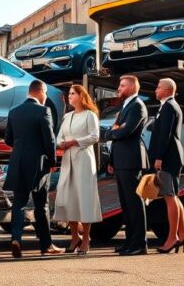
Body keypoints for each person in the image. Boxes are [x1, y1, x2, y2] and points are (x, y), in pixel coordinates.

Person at [4, 79, 64, 258]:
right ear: (41, 91)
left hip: (18, 163)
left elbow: (8, 139)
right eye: (45, 93)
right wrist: (52, 161)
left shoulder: (14, 112)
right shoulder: (43, 111)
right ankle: (46, 245)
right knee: (41, 205)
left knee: (19, 204)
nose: (45, 97)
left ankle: (16, 239)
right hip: (38, 165)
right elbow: (50, 139)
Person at [54, 84, 103, 256]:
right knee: (69, 199)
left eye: (73, 93)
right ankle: (74, 237)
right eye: (69, 94)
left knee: (84, 198)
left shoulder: (90, 115)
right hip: (68, 160)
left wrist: (73, 142)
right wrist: (61, 143)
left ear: (81, 96)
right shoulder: (67, 116)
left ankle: (86, 238)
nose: (70, 96)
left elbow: (95, 136)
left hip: (83, 159)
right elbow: (59, 136)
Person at [105, 74, 149, 256]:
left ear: (131, 87)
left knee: (134, 203)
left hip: (131, 161)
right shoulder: (125, 105)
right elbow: (113, 131)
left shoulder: (137, 106)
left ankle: (140, 244)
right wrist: (112, 160)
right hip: (121, 160)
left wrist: (114, 131)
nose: (119, 89)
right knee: (125, 204)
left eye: (122, 86)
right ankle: (130, 242)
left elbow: (125, 131)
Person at [148, 78, 184, 254]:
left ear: (167, 90)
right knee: (174, 196)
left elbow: (164, 135)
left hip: (168, 158)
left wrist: (158, 157)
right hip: (172, 157)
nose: (155, 90)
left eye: (158, 87)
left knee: (169, 196)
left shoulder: (169, 107)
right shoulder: (168, 106)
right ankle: (183, 233)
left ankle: (172, 238)